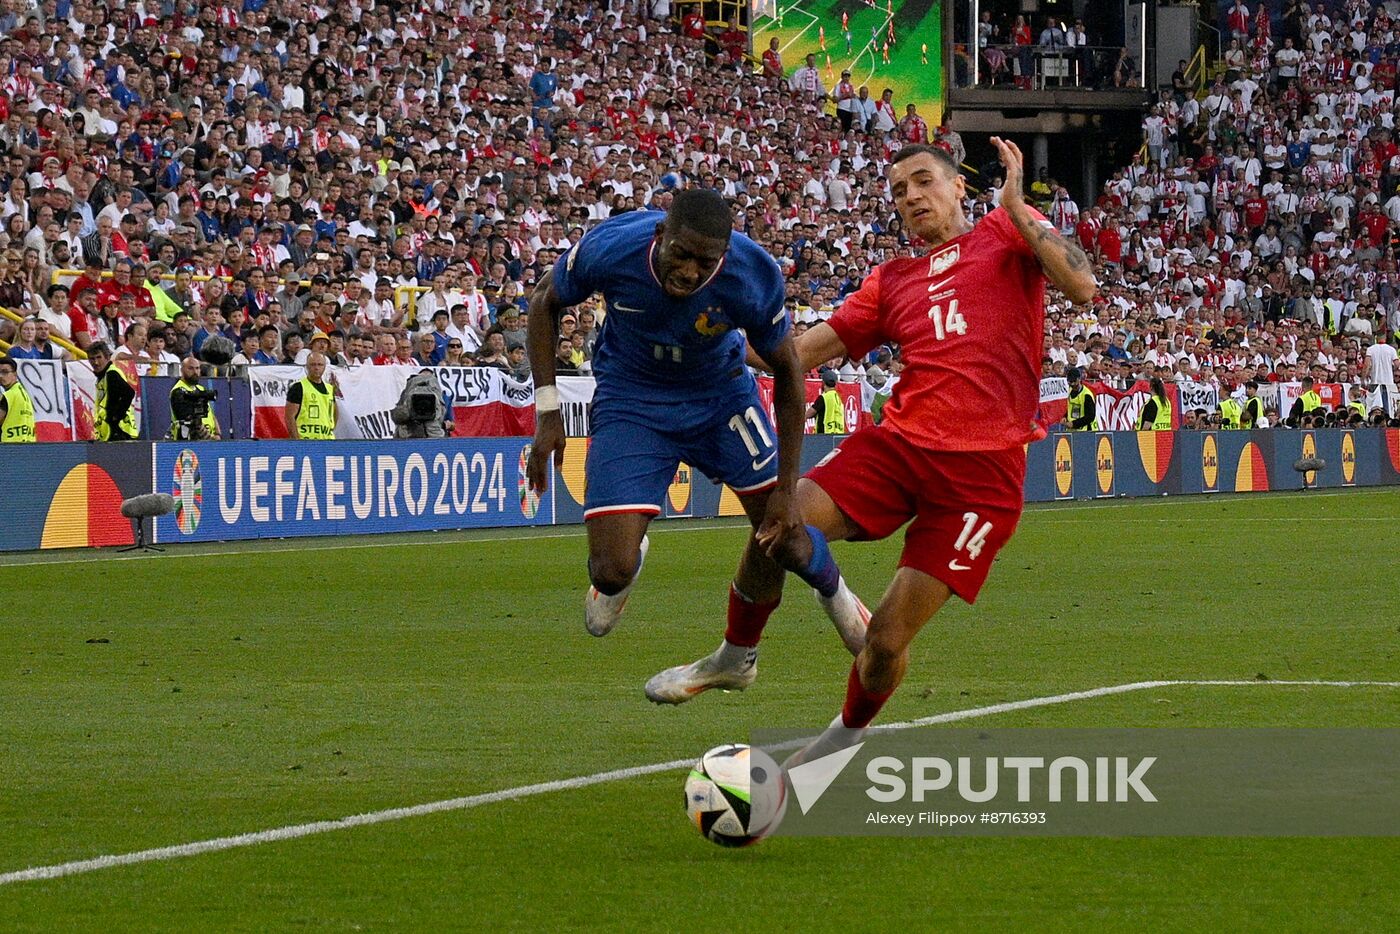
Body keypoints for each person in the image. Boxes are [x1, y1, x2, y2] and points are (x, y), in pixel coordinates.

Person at [765, 140, 1096, 765]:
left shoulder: (1009, 230)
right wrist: (718, 336)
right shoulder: (892, 281)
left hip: (982, 476)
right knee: (783, 524)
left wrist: (1017, 206)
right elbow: (800, 352)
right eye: (898, 191)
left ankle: (838, 745)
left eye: (922, 182)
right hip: (900, 447)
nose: (911, 197)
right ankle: (831, 601)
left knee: (885, 645)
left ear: (957, 189)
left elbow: (1080, 284)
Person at [525, 188, 867, 703]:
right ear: (660, 235)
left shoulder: (753, 274)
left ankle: (836, 596)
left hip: (720, 396)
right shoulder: (612, 246)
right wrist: (548, 411)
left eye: (704, 262)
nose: (688, 271)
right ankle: (630, 555)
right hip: (632, 398)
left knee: (784, 533)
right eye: (679, 254)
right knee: (609, 571)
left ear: (724, 256)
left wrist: (786, 488)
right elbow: (544, 302)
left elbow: (790, 373)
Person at [89, 341, 139, 441]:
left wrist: (115, 418)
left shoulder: (111, 374)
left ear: (107, 357)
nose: (96, 362)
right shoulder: (103, 376)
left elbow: (129, 393)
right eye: (92, 358)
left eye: (99, 357)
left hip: (120, 431)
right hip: (112, 431)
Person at [284, 352, 339, 440]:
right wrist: (297, 442)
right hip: (305, 441)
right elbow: (289, 418)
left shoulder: (329, 388)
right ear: (307, 367)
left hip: (326, 440)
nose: (316, 368)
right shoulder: (298, 387)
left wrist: (330, 428)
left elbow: (335, 413)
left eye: (320, 364)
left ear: (325, 367)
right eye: (313, 364)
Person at [169, 355, 221, 440]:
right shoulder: (178, 391)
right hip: (189, 440)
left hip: (210, 440)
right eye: (191, 368)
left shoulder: (201, 389)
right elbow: (190, 419)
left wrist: (218, 433)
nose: (195, 372)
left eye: (197, 368)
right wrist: (209, 437)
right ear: (182, 370)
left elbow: (211, 414)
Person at [0, 355, 36, 442]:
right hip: (28, 445)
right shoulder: (24, 394)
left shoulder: (10, 395)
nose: (1, 376)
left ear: (15, 374)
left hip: (11, 446)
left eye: (5, 372)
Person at [1064, 365, 1098, 429]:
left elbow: (1090, 416)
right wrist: (1064, 417)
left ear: (1079, 379)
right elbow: (1068, 408)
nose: (1072, 384)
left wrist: (1074, 424)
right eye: (1070, 382)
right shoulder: (1069, 391)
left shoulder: (1086, 395)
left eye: (1074, 381)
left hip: (1086, 430)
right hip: (1073, 430)